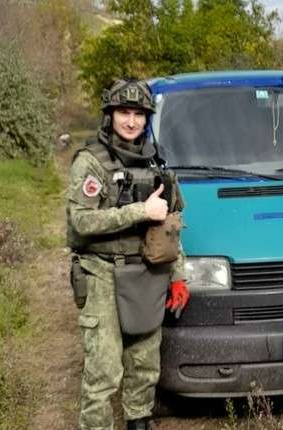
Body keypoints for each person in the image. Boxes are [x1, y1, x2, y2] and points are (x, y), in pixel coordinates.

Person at [67, 79, 190, 430]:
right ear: (110, 115)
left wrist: (178, 277)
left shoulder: (157, 164)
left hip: (148, 274)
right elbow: (81, 221)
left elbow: (172, 224)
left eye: (139, 114)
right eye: (124, 112)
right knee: (104, 370)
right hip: (102, 272)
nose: (131, 121)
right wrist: (139, 211)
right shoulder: (91, 162)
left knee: (144, 364)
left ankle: (139, 422)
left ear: (147, 118)